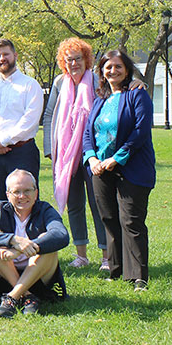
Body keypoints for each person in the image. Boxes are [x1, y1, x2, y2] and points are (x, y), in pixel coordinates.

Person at [43, 38, 119, 270]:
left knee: (99, 204)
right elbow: (49, 116)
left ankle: (107, 257)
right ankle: (81, 255)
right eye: (69, 60)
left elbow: (113, 101)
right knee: (74, 204)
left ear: (86, 59)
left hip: (93, 153)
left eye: (78, 59)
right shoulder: (59, 83)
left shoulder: (97, 80)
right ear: (63, 62)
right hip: (66, 155)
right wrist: (50, 149)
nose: (74, 63)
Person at [83, 50, 155, 291]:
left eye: (118, 66)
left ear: (127, 69)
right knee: (109, 219)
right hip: (101, 170)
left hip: (132, 168)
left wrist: (117, 158)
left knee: (131, 221)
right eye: (107, 67)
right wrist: (91, 158)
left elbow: (140, 132)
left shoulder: (137, 94)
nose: (112, 71)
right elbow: (88, 133)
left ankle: (138, 278)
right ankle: (115, 270)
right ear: (101, 71)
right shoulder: (100, 99)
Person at [0, 170, 69, 318]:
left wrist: (20, 250)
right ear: (8, 195)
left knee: (46, 239)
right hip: (2, 276)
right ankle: (27, 296)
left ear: (36, 192)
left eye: (27, 190)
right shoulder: (0, 209)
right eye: (16, 192)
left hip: (38, 278)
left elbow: (61, 235)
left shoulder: (45, 209)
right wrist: (13, 240)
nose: (22, 196)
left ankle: (12, 298)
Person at [0, 38, 44, 206]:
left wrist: (4, 140)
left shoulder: (30, 85)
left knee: (27, 203)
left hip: (23, 152)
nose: (2, 59)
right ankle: (2, 233)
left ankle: (29, 233)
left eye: (6, 54)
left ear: (15, 55)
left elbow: (30, 120)